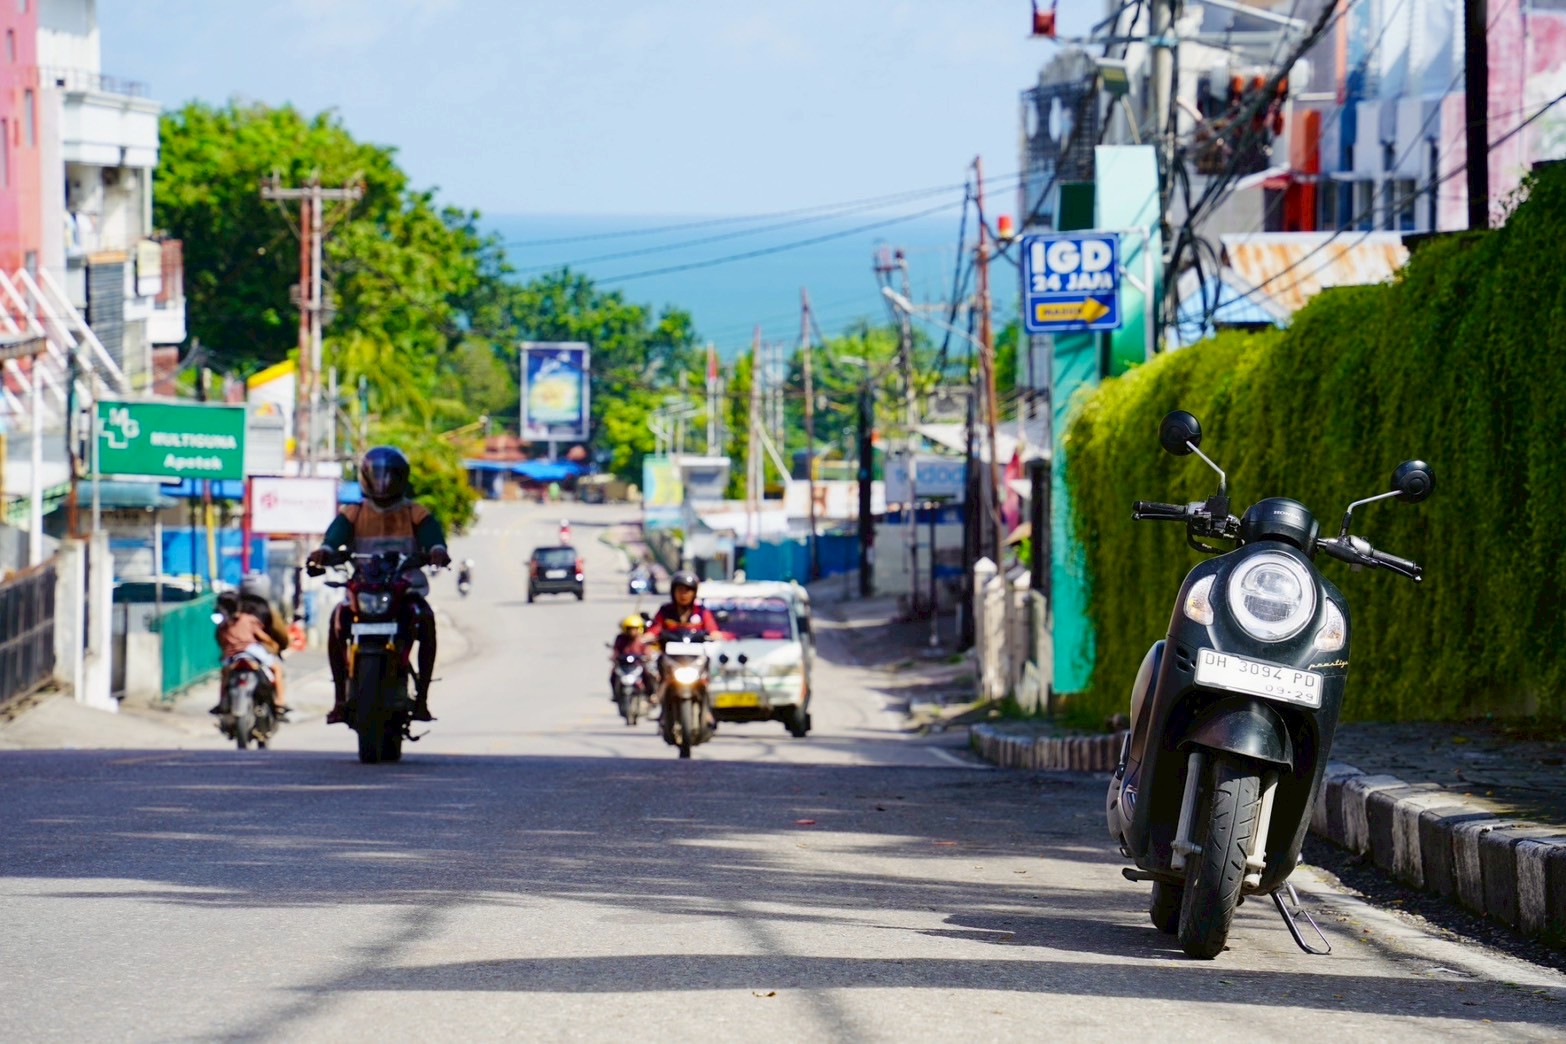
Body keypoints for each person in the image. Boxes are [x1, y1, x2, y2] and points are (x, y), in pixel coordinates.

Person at [307, 446, 451, 724]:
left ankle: (422, 698)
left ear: (401, 478)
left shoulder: (414, 512)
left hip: (405, 587)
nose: (383, 484)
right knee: (338, 621)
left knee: (427, 621)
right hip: (364, 587)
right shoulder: (354, 512)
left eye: (390, 476)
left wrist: (436, 549)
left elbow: (434, 537)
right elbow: (333, 537)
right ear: (365, 478)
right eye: (377, 476)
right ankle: (339, 697)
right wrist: (324, 551)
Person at [638, 570, 722, 727]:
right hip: (671, 659)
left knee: (710, 677)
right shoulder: (665, 611)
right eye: (680, 590)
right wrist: (648, 637)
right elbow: (655, 629)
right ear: (673, 591)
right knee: (659, 673)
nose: (683, 594)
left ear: (694, 592)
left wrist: (716, 635)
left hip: (696, 658)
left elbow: (712, 629)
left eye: (688, 590)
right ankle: (660, 705)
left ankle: (708, 710)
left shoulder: (701, 612)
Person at [212, 589, 286, 718]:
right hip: (252, 651)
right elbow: (262, 636)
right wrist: (273, 644)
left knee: (225, 675)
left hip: (232, 655)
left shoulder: (222, 624)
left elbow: (221, 641)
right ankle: (279, 702)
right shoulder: (248, 619)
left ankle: (222, 703)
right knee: (276, 669)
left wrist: (225, 653)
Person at [609, 614, 650, 703]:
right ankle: (615, 694)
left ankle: (650, 694)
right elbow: (616, 650)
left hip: (638, 664)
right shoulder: (620, 639)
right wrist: (614, 657)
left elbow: (647, 651)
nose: (632, 631)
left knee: (648, 674)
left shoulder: (641, 639)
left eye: (634, 628)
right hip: (624, 664)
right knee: (613, 675)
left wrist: (647, 657)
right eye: (630, 628)